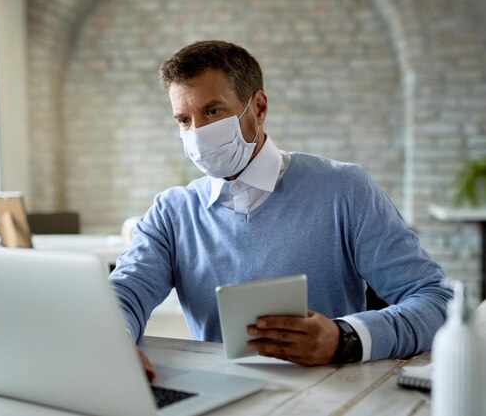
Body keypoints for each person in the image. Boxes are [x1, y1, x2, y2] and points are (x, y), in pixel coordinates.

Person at [110, 40, 452, 373]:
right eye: (184, 120)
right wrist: (115, 342)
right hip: (219, 396)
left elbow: (436, 300)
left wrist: (345, 338)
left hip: (330, 393)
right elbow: (123, 293)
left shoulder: (344, 189)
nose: (197, 133)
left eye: (212, 111)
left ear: (258, 108)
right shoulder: (171, 212)